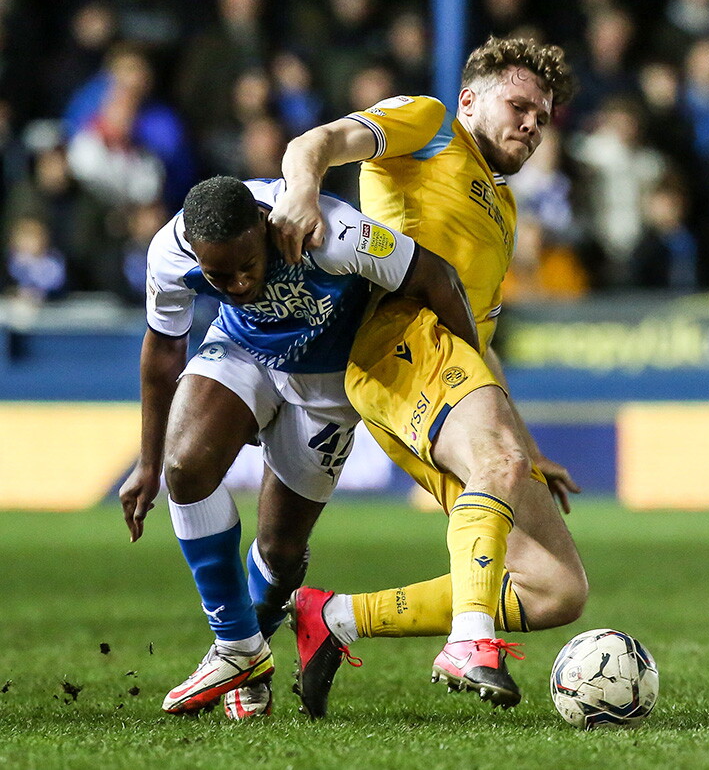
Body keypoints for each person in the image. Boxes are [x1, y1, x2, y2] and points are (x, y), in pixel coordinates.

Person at [270, 36, 588, 717]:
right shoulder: (429, 121)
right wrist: (301, 194)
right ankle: (467, 642)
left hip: (450, 367)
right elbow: (314, 142)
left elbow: (482, 344)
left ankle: (333, 618)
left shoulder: (502, 212)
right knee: (493, 462)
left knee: (555, 588)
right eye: (519, 105)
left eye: (544, 116)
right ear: (471, 98)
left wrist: (525, 447)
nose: (532, 124)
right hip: (399, 338)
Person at [119, 174, 479, 719]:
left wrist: (473, 394)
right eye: (221, 275)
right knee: (183, 467)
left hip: (329, 386)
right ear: (195, 251)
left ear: (265, 227)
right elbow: (164, 348)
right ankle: (238, 647)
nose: (238, 283)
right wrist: (148, 463)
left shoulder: (332, 231)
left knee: (281, 554)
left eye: (248, 265)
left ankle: (252, 654)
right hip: (245, 352)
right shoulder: (169, 251)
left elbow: (438, 278)